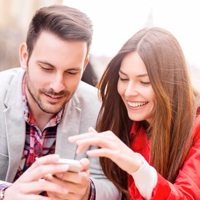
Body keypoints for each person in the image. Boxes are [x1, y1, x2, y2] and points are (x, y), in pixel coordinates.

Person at [0, 5, 120, 200]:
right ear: (24, 56)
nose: (57, 86)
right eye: (47, 68)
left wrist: (87, 192)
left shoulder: (100, 108)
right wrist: (5, 193)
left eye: (72, 72)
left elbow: (113, 186)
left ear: (84, 65)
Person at [69, 27, 200, 199]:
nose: (129, 91)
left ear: (170, 84)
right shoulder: (119, 119)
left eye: (144, 82)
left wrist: (137, 167)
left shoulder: (195, 129)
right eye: (123, 79)